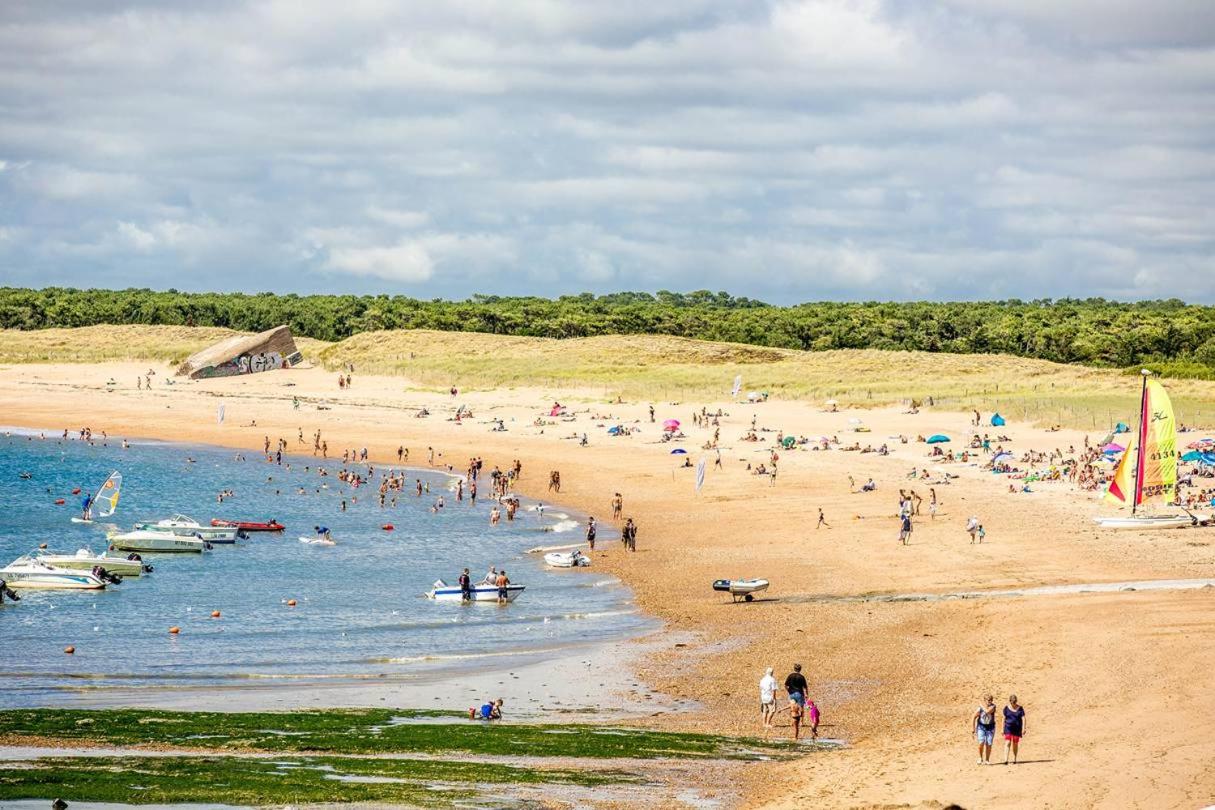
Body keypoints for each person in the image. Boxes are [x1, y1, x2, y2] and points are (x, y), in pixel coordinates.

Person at [974, 695, 997, 764]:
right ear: (985, 700)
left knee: (989, 744)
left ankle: (987, 760)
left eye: (991, 700)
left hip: (990, 727)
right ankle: (980, 758)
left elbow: (987, 711)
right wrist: (973, 728)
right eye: (988, 700)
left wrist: (981, 705)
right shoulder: (980, 709)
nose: (989, 701)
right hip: (981, 727)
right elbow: (974, 717)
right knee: (981, 742)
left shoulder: (993, 706)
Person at [1003, 695, 1026, 764]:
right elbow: (1003, 718)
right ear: (1010, 701)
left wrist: (1023, 728)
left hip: (1017, 728)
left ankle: (1014, 758)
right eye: (1012, 702)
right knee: (1008, 742)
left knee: (1015, 743)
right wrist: (1002, 728)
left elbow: (1023, 718)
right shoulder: (1006, 708)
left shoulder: (1020, 708)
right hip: (1008, 727)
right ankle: (1005, 759)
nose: (1013, 703)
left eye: (1015, 702)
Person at [759, 667, 778, 733]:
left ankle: (764, 723)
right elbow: (773, 690)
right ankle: (768, 723)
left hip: (763, 697)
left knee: (764, 711)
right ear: (772, 673)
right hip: (769, 697)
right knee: (772, 710)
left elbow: (761, 688)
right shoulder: (772, 680)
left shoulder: (762, 679)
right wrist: (774, 698)